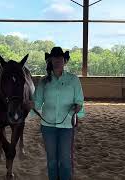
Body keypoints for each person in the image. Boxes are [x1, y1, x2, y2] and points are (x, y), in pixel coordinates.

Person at [27, 46, 85, 180]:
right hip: (48, 126)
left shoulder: (73, 80)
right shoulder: (43, 81)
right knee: (52, 160)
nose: (57, 60)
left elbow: (79, 100)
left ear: (65, 61)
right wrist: (30, 105)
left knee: (65, 160)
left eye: (60, 58)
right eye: (55, 58)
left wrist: (78, 107)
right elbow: (37, 102)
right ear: (50, 61)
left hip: (66, 125)